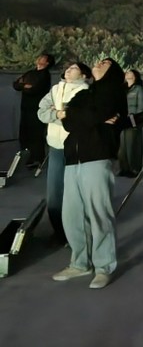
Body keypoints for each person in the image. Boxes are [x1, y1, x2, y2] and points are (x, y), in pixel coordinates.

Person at [52, 58, 127, 289]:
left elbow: (79, 116)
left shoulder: (114, 93)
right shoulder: (84, 94)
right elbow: (68, 122)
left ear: (113, 71)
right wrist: (79, 117)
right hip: (72, 160)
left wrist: (73, 116)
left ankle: (104, 267)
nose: (99, 63)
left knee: (98, 214)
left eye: (105, 63)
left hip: (97, 157)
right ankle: (80, 263)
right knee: (72, 215)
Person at [37, 61, 91, 246]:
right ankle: (59, 232)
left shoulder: (85, 92)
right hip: (55, 147)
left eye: (74, 68)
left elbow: (78, 119)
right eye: (68, 67)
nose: (69, 70)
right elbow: (41, 113)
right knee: (54, 194)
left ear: (83, 75)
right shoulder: (55, 89)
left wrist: (58, 113)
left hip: (76, 148)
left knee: (74, 193)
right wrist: (59, 114)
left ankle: (76, 234)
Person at [13, 53, 54, 167]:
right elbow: (16, 85)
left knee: (36, 133)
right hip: (25, 107)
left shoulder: (45, 75)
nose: (39, 59)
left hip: (36, 108)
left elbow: (35, 89)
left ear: (47, 63)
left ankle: (37, 158)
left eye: (43, 58)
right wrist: (24, 85)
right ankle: (27, 154)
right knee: (25, 131)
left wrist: (24, 85)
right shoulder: (30, 73)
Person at [118, 70, 143, 176]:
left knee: (133, 145)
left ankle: (135, 168)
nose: (127, 74)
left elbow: (142, 106)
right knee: (122, 146)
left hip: (133, 120)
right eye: (126, 73)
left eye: (130, 72)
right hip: (122, 120)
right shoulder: (122, 89)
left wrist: (138, 119)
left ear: (135, 76)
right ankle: (124, 168)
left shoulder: (139, 89)